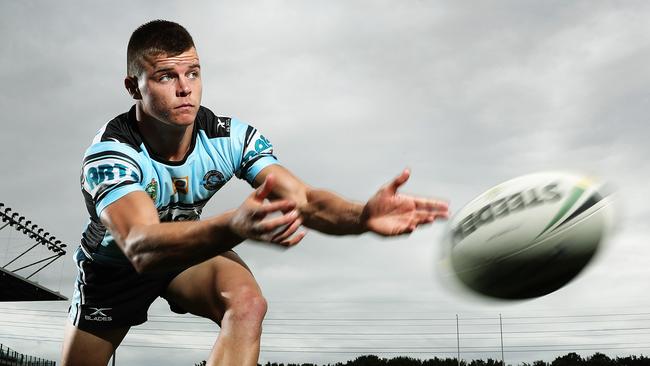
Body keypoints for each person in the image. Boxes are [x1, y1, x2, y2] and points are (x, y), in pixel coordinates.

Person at [60, 20, 449, 366]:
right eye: (166, 77)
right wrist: (235, 225)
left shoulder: (230, 137)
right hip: (114, 270)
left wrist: (361, 216)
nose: (184, 89)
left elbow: (305, 200)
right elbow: (142, 248)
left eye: (193, 73)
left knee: (247, 304)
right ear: (133, 86)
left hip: (187, 256)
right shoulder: (111, 154)